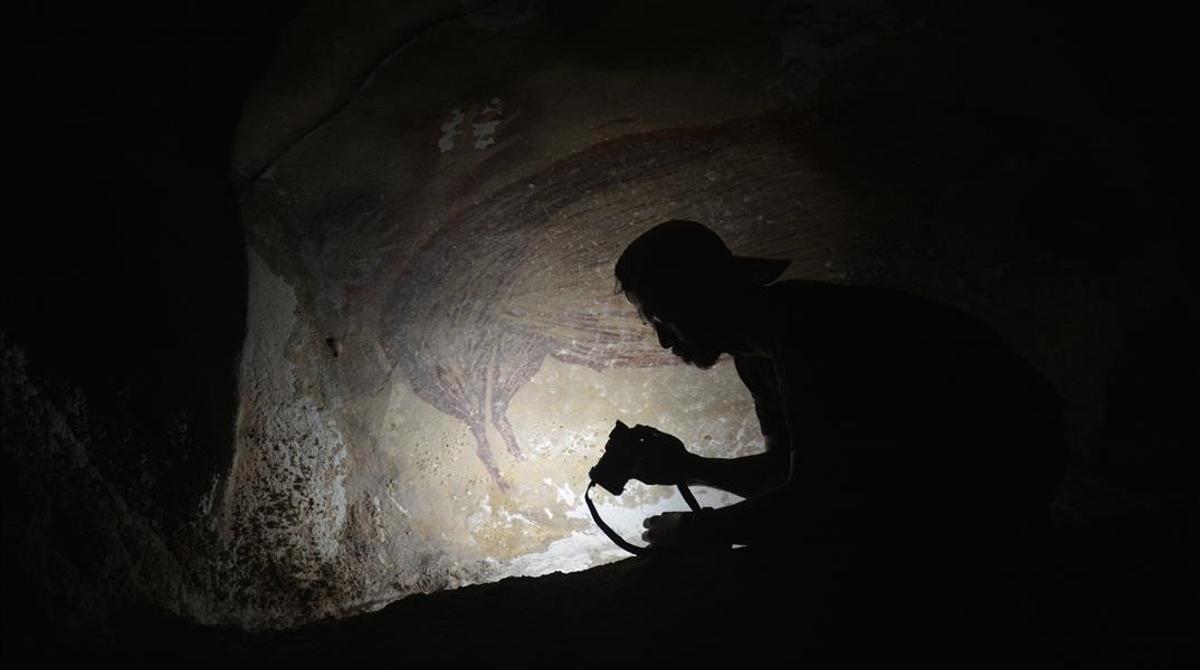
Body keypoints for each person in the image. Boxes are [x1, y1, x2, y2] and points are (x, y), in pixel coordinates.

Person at [615, 220, 1066, 553]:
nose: (663, 339)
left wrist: (697, 531)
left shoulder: (813, 330)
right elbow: (792, 476)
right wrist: (689, 467)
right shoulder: (758, 359)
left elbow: (820, 497)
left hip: (1003, 489)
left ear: (702, 295)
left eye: (662, 317)